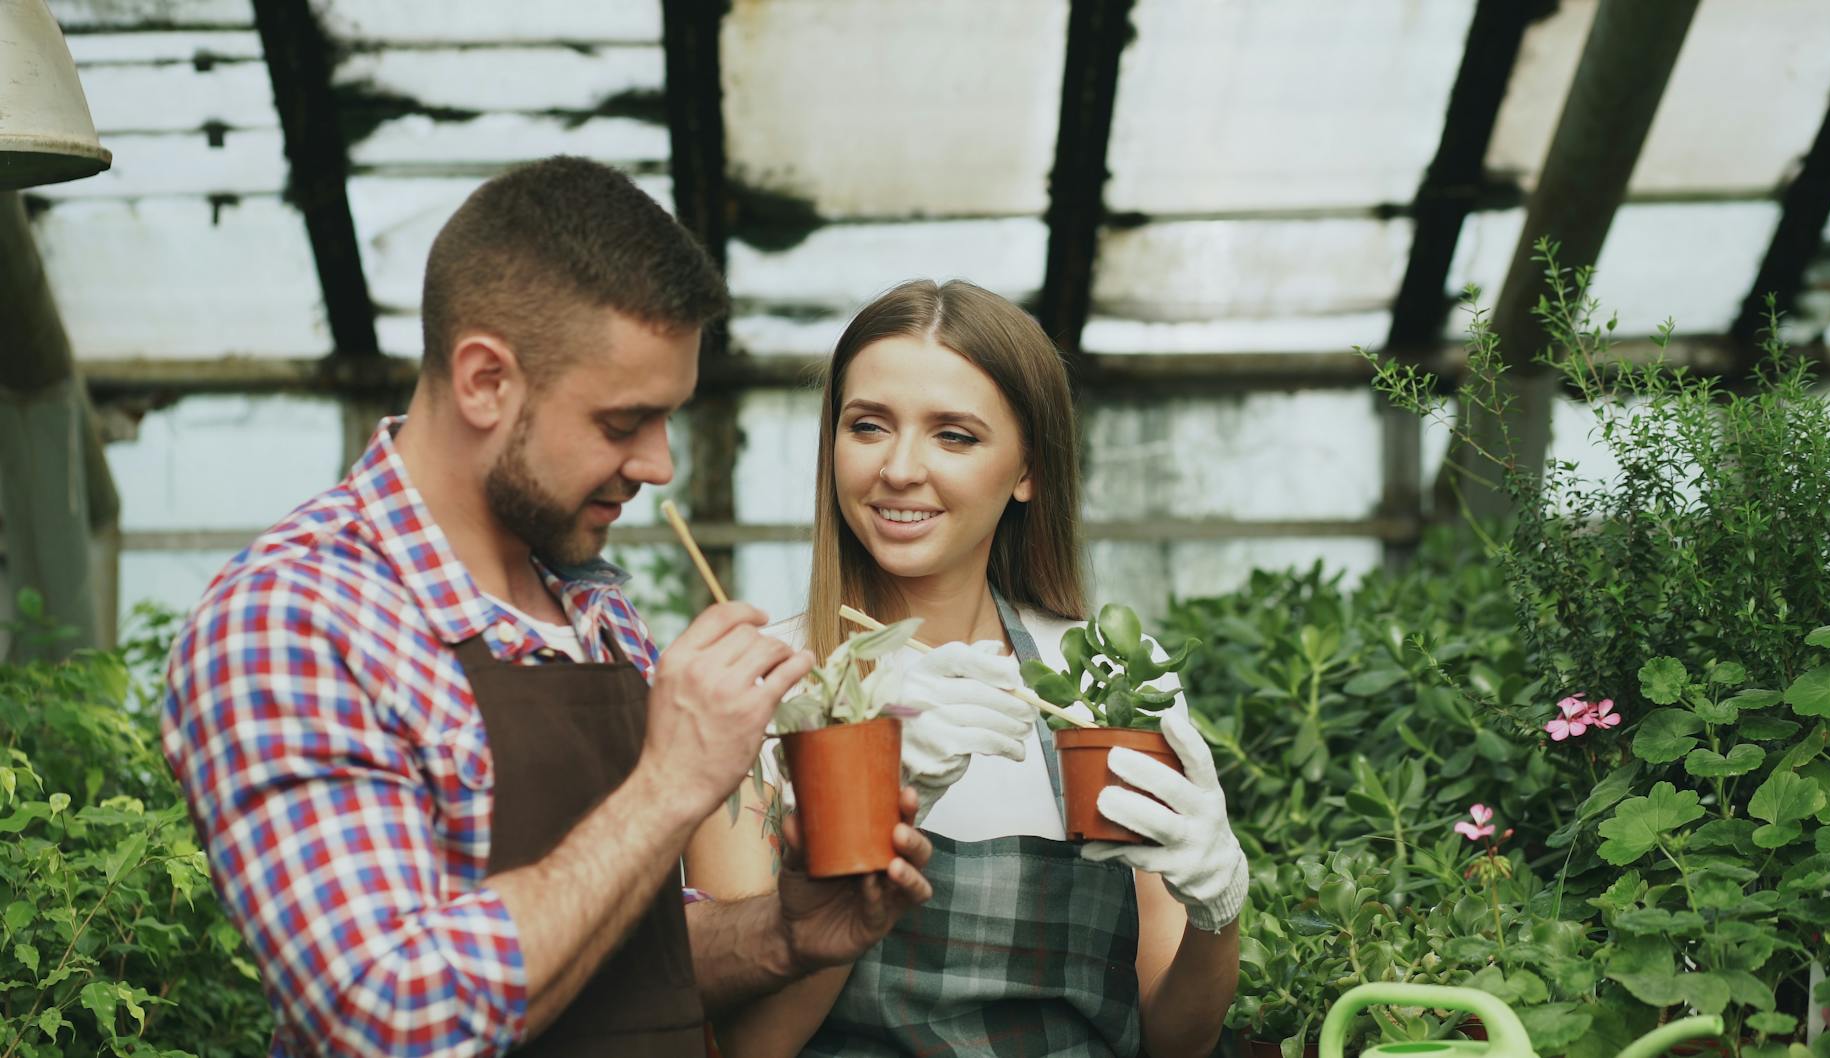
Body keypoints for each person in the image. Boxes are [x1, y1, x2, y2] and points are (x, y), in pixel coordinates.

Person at [159, 156, 934, 1058]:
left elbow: (624, 958)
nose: (659, 466)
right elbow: (385, 1017)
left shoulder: (591, 607)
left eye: (669, 418)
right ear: (486, 380)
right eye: (622, 422)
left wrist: (783, 935)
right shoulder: (293, 621)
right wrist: (668, 785)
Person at [685, 279, 1248, 1057]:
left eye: (955, 435)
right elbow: (750, 1049)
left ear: (1028, 471)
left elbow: (1173, 1040)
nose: (900, 468)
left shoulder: (1105, 682)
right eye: (868, 426)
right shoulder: (761, 691)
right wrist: (868, 823)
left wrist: (1219, 911)